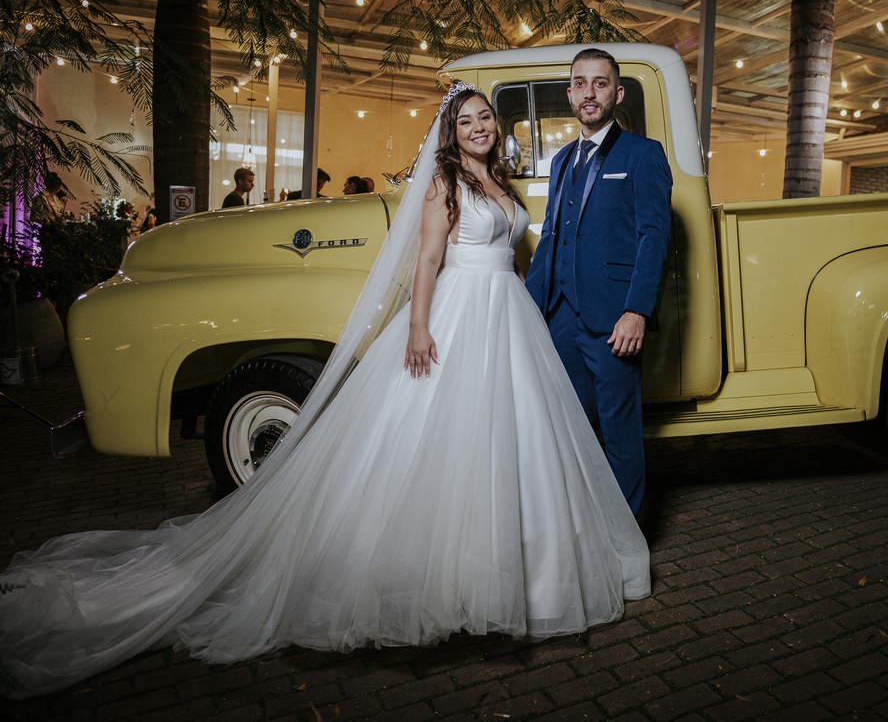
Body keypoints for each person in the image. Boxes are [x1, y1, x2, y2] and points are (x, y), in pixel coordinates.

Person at [0, 81, 649, 699]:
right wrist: (418, 328)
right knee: (439, 441)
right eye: (466, 121)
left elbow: (518, 252)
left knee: (516, 442)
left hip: (508, 315)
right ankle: (434, 575)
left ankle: (525, 575)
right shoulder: (444, 184)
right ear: (450, 134)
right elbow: (427, 260)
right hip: (458, 316)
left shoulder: (500, 181)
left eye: (485, 118)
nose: (479, 127)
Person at [525, 48, 673, 517]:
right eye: (580, 83)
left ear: (618, 93)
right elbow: (551, 237)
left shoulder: (643, 155)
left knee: (619, 434)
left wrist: (637, 311)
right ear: (570, 95)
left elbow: (654, 237)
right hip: (560, 318)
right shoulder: (562, 160)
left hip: (614, 319)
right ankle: (582, 528)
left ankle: (626, 542)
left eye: (600, 83)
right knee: (566, 429)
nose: (589, 93)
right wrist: (529, 311)